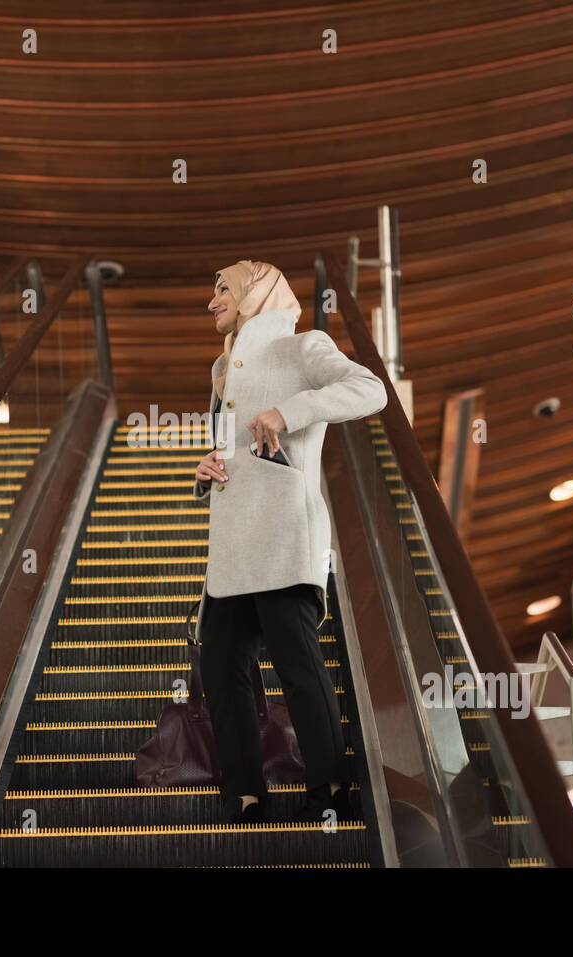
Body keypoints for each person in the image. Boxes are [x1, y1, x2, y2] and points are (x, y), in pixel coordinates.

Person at [191, 259, 388, 825]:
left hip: (283, 533)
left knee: (298, 666)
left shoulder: (304, 347)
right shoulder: (222, 367)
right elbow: (236, 447)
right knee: (223, 672)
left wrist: (290, 411)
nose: (212, 302)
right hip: (230, 546)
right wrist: (208, 467)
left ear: (256, 290)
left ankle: (329, 784)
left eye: (222, 287)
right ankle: (244, 794)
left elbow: (369, 388)